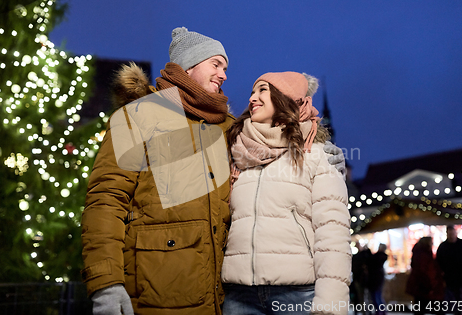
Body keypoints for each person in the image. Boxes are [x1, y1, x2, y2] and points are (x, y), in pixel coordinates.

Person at [81, 28, 347, 315]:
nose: (224, 75)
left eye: (226, 68)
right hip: (154, 290)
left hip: (220, 295)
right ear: (189, 65)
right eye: (216, 64)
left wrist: (321, 150)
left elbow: (273, 144)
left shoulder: (228, 127)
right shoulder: (137, 116)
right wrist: (106, 283)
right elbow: (106, 200)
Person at [220, 71, 351, 315]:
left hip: (297, 295)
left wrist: (331, 302)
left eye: (262, 90)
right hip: (239, 295)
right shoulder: (237, 152)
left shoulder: (316, 154)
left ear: (283, 98)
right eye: (252, 91)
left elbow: (332, 232)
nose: (252, 98)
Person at [436, 225, 462, 315]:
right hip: (451, 278)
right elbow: (438, 263)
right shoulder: (443, 247)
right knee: (456, 300)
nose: (452, 235)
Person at [405, 237, 444, 315]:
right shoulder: (424, 255)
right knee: (436, 308)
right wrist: (432, 284)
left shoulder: (418, 254)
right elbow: (427, 272)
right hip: (425, 287)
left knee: (420, 308)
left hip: (420, 286)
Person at [367, 243, 387, 315]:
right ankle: (381, 312)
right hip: (377, 279)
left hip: (375, 279)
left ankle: (380, 312)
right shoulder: (380, 256)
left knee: (376, 297)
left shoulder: (378, 257)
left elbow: (371, 262)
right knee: (377, 296)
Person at [351, 243, 372, 312]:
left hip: (362, 280)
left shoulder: (361, 256)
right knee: (362, 298)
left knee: (363, 298)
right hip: (360, 280)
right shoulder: (359, 256)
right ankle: (364, 312)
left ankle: (365, 312)